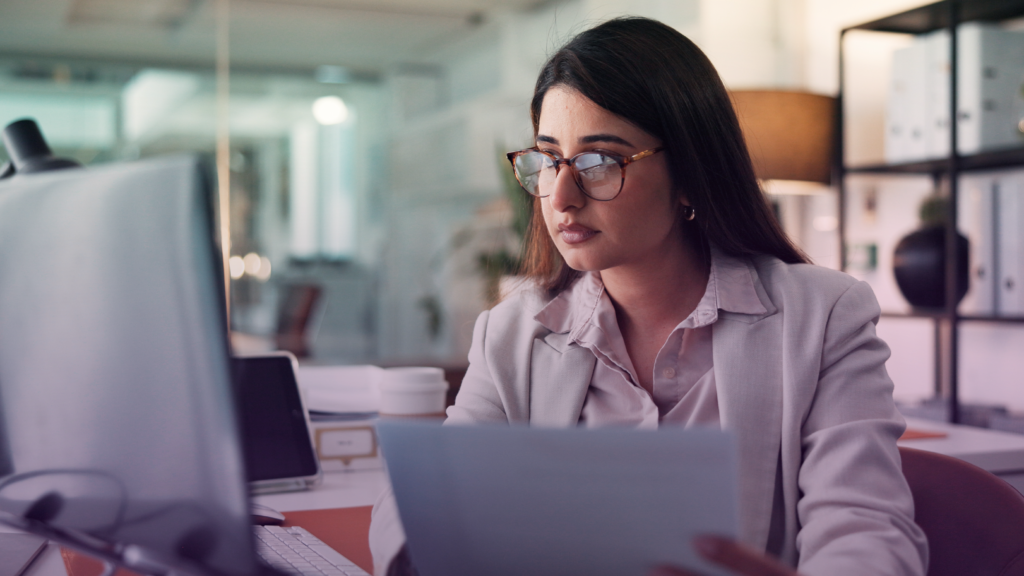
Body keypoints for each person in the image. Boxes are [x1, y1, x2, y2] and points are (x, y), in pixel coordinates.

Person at [370, 16, 928, 576]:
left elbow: (865, 531)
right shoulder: (514, 333)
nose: (561, 196)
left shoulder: (824, 317)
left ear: (689, 172)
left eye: (598, 161)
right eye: (548, 159)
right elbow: (417, 504)